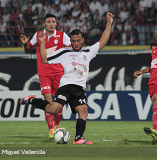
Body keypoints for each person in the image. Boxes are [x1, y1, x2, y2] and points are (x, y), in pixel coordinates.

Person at [20, 12, 115, 144]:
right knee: (54, 109)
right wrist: (42, 43)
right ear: (70, 42)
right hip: (66, 87)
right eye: (73, 41)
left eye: (78, 41)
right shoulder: (64, 52)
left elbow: (103, 41)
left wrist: (109, 23)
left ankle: (78, 138)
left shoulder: (88, 52)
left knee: (84, 110)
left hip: (79, 88)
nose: (76, 43)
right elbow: (44, 59)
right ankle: (31, 101)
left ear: (82, 40)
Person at [20, 13, 71, 139]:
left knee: (59, 102)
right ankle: (51, 130)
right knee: (49, 101)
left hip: (59, 73)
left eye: (53, 21)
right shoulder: (38, 35)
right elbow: (28, 48)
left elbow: (73, 49)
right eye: (48, 22)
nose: (51, 24)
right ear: (44, 24)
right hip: (44, 73)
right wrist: (25, 44)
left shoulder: (62, 35)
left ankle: (57, 125)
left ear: (56, 24)